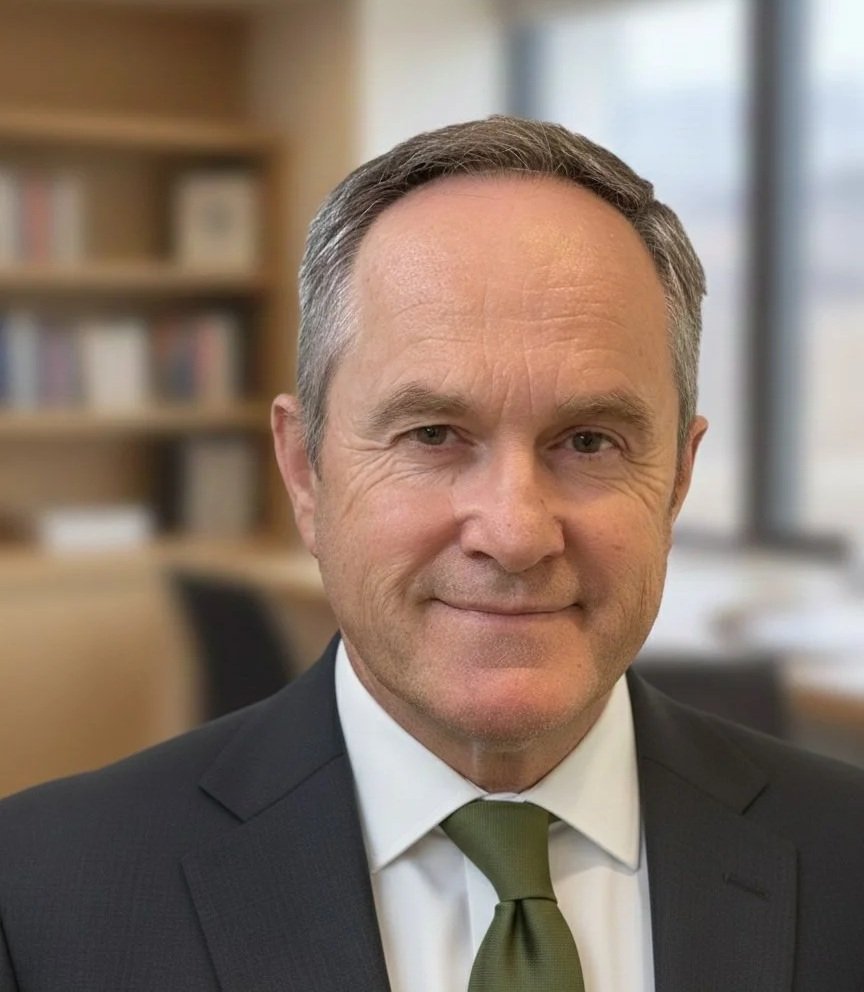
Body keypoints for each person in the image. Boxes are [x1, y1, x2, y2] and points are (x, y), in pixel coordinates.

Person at [1, 116, 862, 992]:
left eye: (591, 441)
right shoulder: (36, 902)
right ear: (306, 470)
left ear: (677, 477)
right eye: (435, 434)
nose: (517, 532)